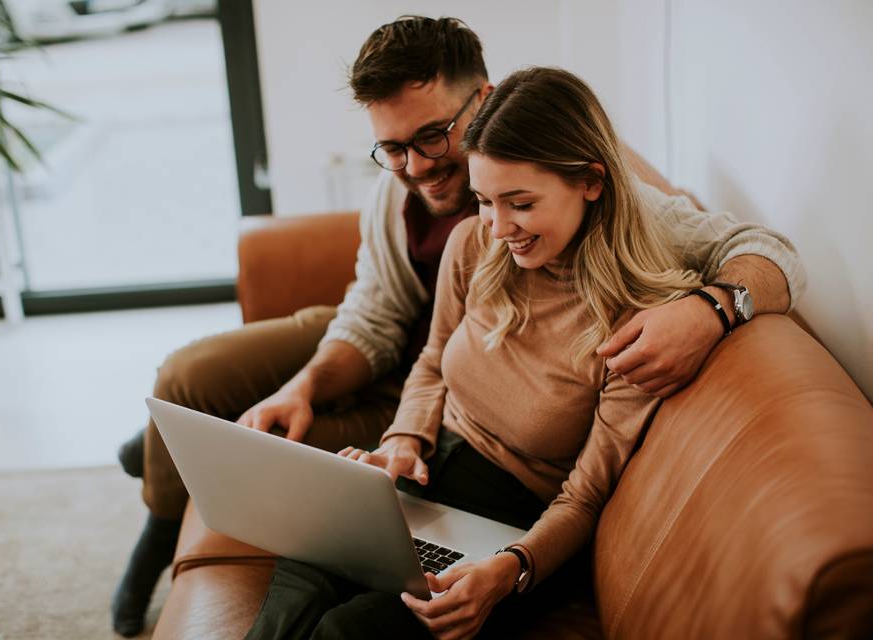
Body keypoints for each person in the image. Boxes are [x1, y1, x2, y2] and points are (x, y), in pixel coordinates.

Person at [111, 16, 805, 636]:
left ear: (482, 100)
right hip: (427, 401)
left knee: (340, 615)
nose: (412, 167)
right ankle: (160, 478)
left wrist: (713, 309)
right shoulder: (462, 231)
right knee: (195, 396)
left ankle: (158, 455)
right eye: (391, 148)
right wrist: (394, 436)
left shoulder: (614, 220)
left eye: (432, 137)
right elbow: (396, 328)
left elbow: (767, 253)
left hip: (503, 488)